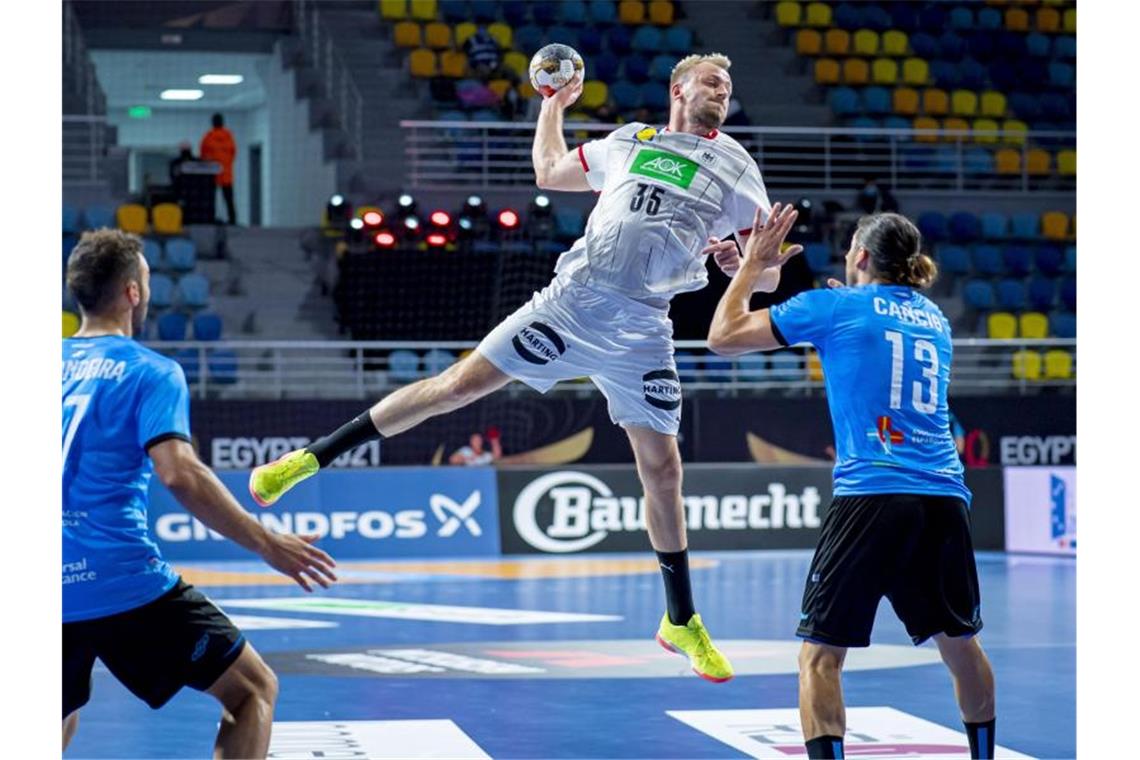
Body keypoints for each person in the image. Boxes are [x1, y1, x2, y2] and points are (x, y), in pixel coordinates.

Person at [249, 53, 777, 683]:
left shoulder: (738, 168)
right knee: (454, 387)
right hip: (570, 305)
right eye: (713, 80)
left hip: (641, 329)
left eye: (729, 82)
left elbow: (765, 270)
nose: (723, 89)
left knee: (663, 469)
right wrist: (553, 106)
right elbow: (550, 172)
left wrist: (741, 267)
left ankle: (680, 621)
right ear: (678, 89)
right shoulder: (628, 142)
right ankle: (309, 459)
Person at [706, 208, 996, 760]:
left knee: (820, 658)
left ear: (860, 256)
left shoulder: (833, 307)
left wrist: (752, 267)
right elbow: (874, 336)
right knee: (960, 645)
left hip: (872, 497)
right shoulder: (934, 318)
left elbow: (723, 337)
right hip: (943, 498)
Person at [63, 229, 338, 758]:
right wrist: (268, 543)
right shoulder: (150, 372)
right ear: (133, 293)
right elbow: (180, 475)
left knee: (58, 707)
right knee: (252, 689)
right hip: (121, 582)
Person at [200, 113, 237, 225]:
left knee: (211, 200)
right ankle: (232, 220)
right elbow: (233, 153)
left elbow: (203, 156)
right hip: (227, 174)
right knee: (229, 199)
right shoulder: (229, 136)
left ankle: (210, 219)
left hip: (212, 174)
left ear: (213, 123)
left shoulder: (208, 136)